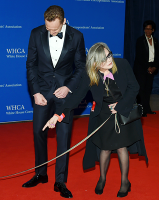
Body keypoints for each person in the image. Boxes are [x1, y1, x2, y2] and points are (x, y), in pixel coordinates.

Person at [43, 42, 148, 198]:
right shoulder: (90, 74)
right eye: (104, 58)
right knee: (105, 148)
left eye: (109, 54)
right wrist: (57, 115)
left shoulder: (122, 64)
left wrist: (120, 106)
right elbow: (76, 97)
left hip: (123, 111)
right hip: (104, 114)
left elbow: (134, 87)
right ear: (95, 63)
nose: (109, 60)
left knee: (121, 148)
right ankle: (102, 178)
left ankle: (125, 181)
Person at [23, 5, 86, 198]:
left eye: (55, 30)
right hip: (42, 93)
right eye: (48, 28)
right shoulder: (35, 33)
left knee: (63, 137)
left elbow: (81, 66)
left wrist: (68, 87)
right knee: (38, 133)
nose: (50, 32)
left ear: (64, 21)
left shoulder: (76, 36)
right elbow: (31, 65)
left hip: (64, 94)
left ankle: (60, 180)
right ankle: (40, 173)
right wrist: (35, 92)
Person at [133, 20, 159, 117]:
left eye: (149, 29)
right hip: (141, 67)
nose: (147, 31)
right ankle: (141, 110)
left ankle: (147, 109)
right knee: (141, 89)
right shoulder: (140, 40)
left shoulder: (156, 41)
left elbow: (157, 56)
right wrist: (148, 67)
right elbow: (139, 56)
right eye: (146, 29)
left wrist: (155, 67)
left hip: (152, 67)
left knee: (148, 89)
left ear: (153, 30)